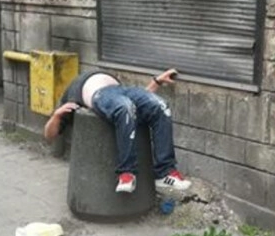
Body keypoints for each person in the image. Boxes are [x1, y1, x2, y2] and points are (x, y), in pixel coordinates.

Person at [43, 67, 191, 195]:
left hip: (121, 90)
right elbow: (49, 135)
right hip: (98, 94)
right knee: (125, 108)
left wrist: (157, 81)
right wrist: (56, 115)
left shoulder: (113, 90)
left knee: (160, 105)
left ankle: (165, 173)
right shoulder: (70, 98)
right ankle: (126, 173)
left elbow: (142, 106)